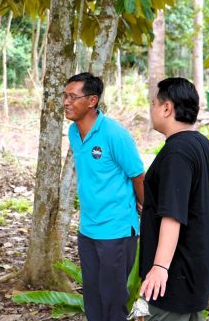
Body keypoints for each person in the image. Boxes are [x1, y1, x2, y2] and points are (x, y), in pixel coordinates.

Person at [64, 72, 145, 321]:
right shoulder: (73, 132)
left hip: (116, 230)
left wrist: (144, 206)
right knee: (93, 297)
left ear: (92, 100)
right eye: (64, 96)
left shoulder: (114, 134)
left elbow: (138, 175)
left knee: (113, 300)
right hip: (88, 229)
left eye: (73, 96)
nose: (66, 102)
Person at [139, 77, 209, 320]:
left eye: (153, 103)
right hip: (198, 265)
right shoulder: (202, 144)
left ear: (167, 108)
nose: (151, 109)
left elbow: (173, 215)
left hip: (175, 272)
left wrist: (159, 267)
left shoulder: (177, 152)